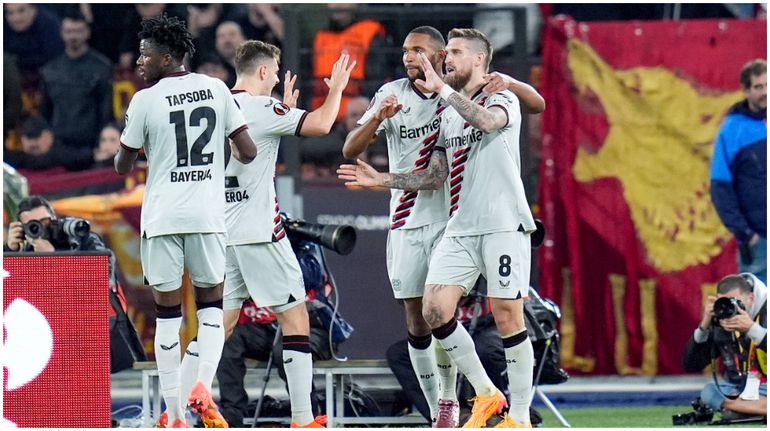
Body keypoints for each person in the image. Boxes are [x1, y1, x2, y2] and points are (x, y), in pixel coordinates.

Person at [340, 26, 544, 428]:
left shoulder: (500, 97)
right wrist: (382, 180)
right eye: (446, 51)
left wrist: (447, 91)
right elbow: (434, 175)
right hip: (461, 225)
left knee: (506, 315)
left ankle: (518, 418)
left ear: (478, 60)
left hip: (503, 223)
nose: (446, 58)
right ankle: (484, 394)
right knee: (432, 310)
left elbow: (487, 122)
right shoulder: (444, 111)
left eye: (453, 52)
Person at [113, 13, 257, 429]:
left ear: (169, 55)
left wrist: (135, 145)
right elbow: (246, 151)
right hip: (208, 215)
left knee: (168, 318)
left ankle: (175, 415)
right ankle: (203, 387)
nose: (140, 62)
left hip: (161, 218)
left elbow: (123, 164)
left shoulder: (145, 100)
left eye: (146, 54)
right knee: (212, 309)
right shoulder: (216, 88)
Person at [220, 39, 354, 428]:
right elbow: (322, 124)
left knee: (220, 324)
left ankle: (181, 403)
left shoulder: (216, 106)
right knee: (296, 319)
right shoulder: (262, 107)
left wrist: (286, 113)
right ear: (263, 71)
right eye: (276, 73)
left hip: (222, 232)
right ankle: (302, 418)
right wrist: (338, 88)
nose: (277, 79)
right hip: (260, 230)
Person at [710, 59, 767, 284]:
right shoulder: (732, 130)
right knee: (760, 313)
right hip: (759, 240)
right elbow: (720, 188)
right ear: (745, 90)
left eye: (768, 85)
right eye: (758, 87)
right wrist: (746, 233)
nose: (766, 92)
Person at [682, 273, 767, 419]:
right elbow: (691, 365)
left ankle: (743, 410)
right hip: (747, 389)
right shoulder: (724, 316)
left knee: (721, 404)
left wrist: (753, 329)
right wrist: (704, 325)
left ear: (751, 298)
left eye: (736, 302)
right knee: (710, 392)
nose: (731, 308)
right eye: (726, 303)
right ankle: (751, 409)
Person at [39, 11, 113, 150]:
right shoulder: (49, 70)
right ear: (61, 33)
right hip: (58, 144)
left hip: (91, 144)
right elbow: (44, 111)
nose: (73, 36)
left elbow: (106, 112)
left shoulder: (102, 67)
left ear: (87, 33)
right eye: (69, 31)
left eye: (78, 31)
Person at [311, 3, 391, 122]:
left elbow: (378, 78)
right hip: (320, 116)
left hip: (359, 117)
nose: (337, 5)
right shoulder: (321, 36)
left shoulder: (370, 30)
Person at [4, 116, 94, 171]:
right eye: (28, 137)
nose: (32, 143)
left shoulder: (67, 153)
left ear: (49, 136)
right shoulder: (17, 159)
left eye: (36, 137)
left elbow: (85, 156)